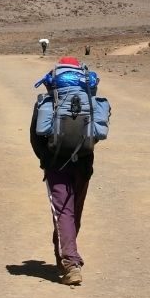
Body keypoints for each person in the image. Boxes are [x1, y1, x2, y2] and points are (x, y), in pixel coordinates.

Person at [30, 57, 100, 285]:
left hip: (55, 166)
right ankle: (68, 258)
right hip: (83, 165)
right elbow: (96, 134)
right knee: (73, 214)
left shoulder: (47, 102)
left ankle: (70, 264)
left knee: (63, 214)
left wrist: (47, 159)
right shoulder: (89, 100)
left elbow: (35, 137)